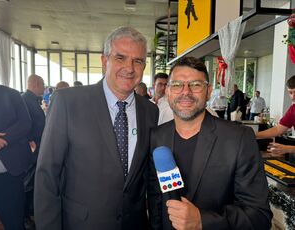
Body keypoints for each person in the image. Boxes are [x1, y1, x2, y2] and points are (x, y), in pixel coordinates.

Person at [34, 26, 159, 230]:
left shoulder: (150, 111)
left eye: (138, 61)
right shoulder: (68, 103)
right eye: (120, 58)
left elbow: (147, 177)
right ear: (104, 61)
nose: (129, 68)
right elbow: (47, 174)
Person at [147, 57, 272, 230]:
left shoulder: (239, 138)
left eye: (196, 85)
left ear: (208, 91)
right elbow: (155, 200)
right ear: (167, 91)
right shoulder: (156, 136)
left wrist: (202, 221)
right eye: (176, 85)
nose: (186, 92)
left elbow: (259, 216)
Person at [0, 84, 33, 230]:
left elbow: (25, 123)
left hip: (9, 173)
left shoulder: (11, 94)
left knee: (14, 223)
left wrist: (2, 141)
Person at [21, 74, 45, 227]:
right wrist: (31, 142)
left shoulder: (31, 100)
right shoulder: (25, 100)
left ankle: (29, 212)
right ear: (35, 84)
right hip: (32, 148)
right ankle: (25, 216)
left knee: (32, 181)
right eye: (42, 84)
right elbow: (24, 122)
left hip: (36, 146)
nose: (44, 88)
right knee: (28, 183)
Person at [256, 75, 295, 156]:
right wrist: (254, 134)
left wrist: (288, 149)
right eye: (290, 93)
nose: (293, 97)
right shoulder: (293, 110)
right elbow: (278, 129)